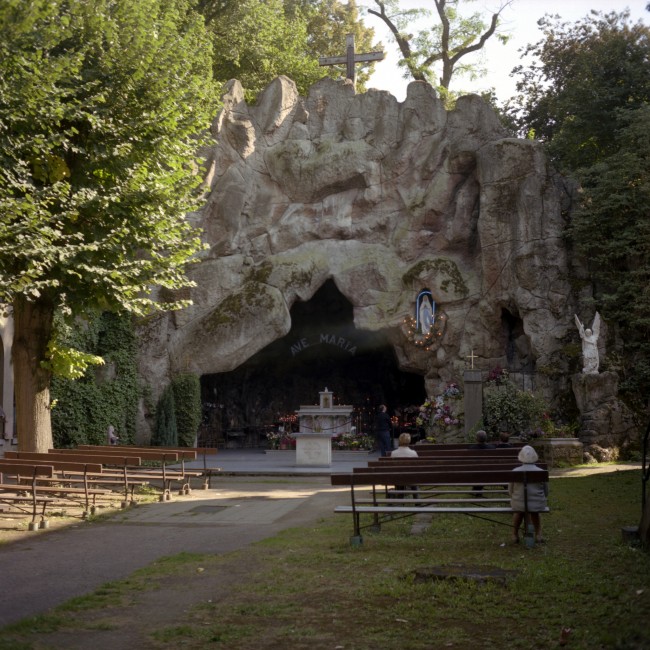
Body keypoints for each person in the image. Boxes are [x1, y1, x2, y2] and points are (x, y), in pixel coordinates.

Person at [509, 445, 548, 544]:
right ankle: (538, 534)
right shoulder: (542, 472)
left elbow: (510, 491)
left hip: (518, 503)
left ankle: (514, 534)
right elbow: (546, 492)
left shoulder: (515, 472)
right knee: (535, 511)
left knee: (519, 511)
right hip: (537, 503)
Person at [470, 429, 495, 496]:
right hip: (489, 471)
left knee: (477, 470)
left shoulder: (471, 449)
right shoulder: (492, 448)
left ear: (476, 438)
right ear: (486, 438)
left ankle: (477, 489)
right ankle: (478, 489)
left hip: (474, 471)